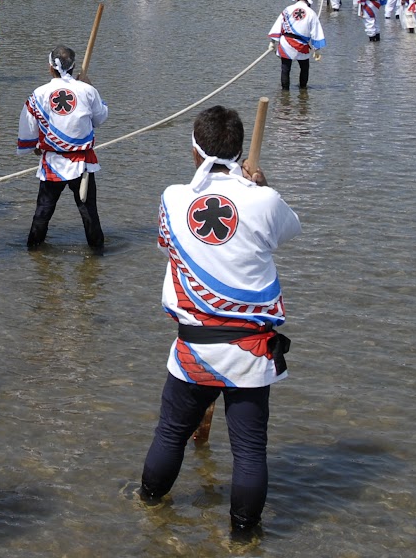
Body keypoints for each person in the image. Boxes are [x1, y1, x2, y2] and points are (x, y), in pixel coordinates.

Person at [139, 105, 300, 543]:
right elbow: (289, 231)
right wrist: (262, 188)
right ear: (238, 150)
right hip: (251, 350)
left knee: (171, 433)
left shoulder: (174, 197)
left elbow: (165, 245)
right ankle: (244, 538)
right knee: (249, 451)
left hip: (194, 347)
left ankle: (149, 507)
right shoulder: (264, 200)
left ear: (195, 152)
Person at [18, 46, 108, 251]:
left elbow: (28, 125)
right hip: (81, 164)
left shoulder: (39, 93)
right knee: (89, 212)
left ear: (51, 68)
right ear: (74, 66)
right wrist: (90, 86)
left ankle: (33, 249)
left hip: (53, 162)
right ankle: (97, 256)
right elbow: (100, 118)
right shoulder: (87, 91)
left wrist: (33, 146)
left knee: (43, 211)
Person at [268, 0, 325, 91]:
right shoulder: (311, 13)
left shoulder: (287, 10)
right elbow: (316, 32)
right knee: (304, 68)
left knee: (285, 69)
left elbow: (278, 25)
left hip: (286, 42)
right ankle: (303, 90)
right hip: (301, 45)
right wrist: (317, 49)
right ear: (308, 1)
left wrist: (272, 42)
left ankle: (285, 92)